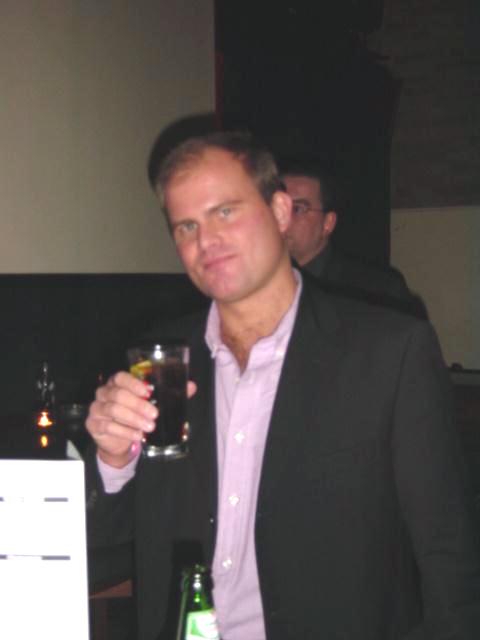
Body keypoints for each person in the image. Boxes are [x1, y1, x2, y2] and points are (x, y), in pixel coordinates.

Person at [85, 131, 480, 640]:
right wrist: (113, 460)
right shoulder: (162, 364)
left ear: (279, 211)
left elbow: (448, 553)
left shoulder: (388, 352)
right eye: (187, 225)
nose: (206, 241)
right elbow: (111, 539)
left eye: (225, 212)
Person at [279, 158, 427, 316]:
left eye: (298, 209)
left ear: (328, 223)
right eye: (278, 207)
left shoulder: (373, 290)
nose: (283, 218)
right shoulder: (265, 285)